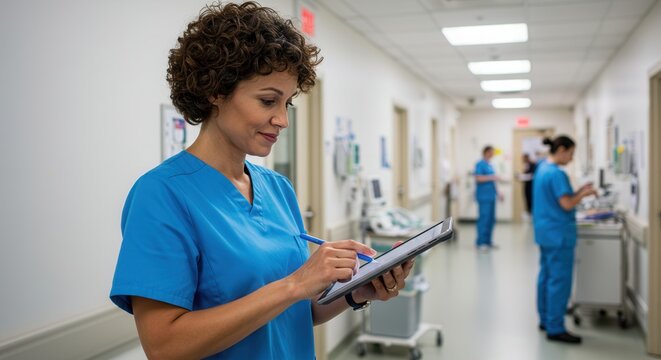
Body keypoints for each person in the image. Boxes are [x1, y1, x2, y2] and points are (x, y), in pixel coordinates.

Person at [109, 3, 415, 359]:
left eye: (288, 103)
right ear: (216, 91)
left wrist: (355, 292)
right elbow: (165, 346)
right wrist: (294, 284)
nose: (282, 120)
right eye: (268, 100)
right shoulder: (162, 195)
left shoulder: (277, 189)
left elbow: (294, 311)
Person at [533, 135, 597, 344]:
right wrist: (585, 195)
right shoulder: (557, 174)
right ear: (560, 150)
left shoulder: (542, 168)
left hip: (545, 232)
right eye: (570, 153)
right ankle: (555, 328)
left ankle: (545, 319)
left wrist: (578, 192)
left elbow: (562, 197)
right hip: (559, 234)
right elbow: (567, 205)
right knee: (559, 281)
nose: (571, 158)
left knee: (546, 276)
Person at [474, 145, 502, 251]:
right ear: (486, 152)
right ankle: (480, 242)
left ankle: (488, 241)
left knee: (491, 220)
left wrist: (498, 193)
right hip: (483, 197)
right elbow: (478, 178)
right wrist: (492, 177)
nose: (493, 154)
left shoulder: (490, 165)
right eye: (491, 152)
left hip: (491, 196)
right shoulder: (480, 164)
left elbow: (493, 182)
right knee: (484, 219)